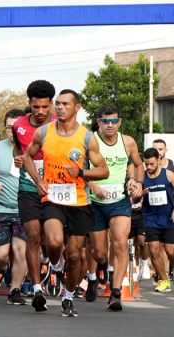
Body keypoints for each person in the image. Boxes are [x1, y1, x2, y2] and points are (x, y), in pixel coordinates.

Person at [23, 89, 109, 317]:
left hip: (79, 201)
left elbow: (104, 171)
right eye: (57, 104)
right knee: (53, 242)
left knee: (74, 255)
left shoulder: (86, 137)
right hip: (52, 197)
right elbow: (27, 157)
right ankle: (55, 265)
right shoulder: (43, 132)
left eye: (65, 104)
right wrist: (38, 179)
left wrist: (82, 171)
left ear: (77, 107)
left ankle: (68, 296)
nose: (59, 108)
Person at [84, 104, 143, 311]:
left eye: (114, 121)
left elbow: (138, 163)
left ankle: (116, 292)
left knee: (119, 243)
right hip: (95, 202)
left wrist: (136, 182)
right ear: (98, 122)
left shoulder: (127, 142)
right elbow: (80, 172)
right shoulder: (89, 141)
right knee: (99, 251)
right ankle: (98, 269)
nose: (110, 125)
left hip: (119, 201)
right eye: (106, 121)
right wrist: (93, 186)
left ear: (119, 122)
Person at [12, 80, 58, 312]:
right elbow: (18, 149)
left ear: (51, 104)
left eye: (44, 107)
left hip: (55, 189)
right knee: (32, 236)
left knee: (51, 241)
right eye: (35, 107)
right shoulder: (19, 124)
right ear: (29, 103)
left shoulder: (60, 125)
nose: (40, 112)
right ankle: (37, 289)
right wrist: (18, 158)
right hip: (28, 187)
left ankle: (54, 261)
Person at [0, 108, 28, 305]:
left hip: (24, 208)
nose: (13, 131)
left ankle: (15, 290)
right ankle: (2, 268)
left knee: (21, 251)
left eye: (17, 127)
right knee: (0, 254)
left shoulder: (33, 149)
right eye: (9, 127)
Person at [136, 148, 174, 292]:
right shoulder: (142, 178)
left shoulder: (168, 175)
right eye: (147, 165)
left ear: (158, 160)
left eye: (152, 164)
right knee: (154, 250)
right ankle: (164, 280)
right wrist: (140, 195)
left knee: (170, 252)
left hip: (168, 218)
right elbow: (134, 198)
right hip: (151, 219)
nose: (149, 168)